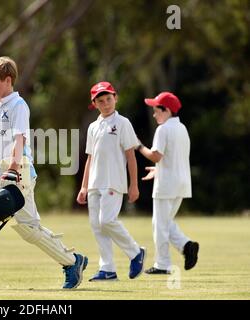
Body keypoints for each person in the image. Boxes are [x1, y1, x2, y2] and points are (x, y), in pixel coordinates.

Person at [0, 56, 88, 290]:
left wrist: (12, 169)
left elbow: (19, 139)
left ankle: (72, 262)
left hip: (18, 171)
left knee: (28, 228)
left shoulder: (18, 105)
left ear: (7, 80)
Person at [76, 81, 146, 281]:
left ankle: (135, 252)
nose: (106, 103)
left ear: (115, 98)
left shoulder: (123, 123)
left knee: (106, 221)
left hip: (114, 181)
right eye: (101, 100)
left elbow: (131, 156)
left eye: (109, 99)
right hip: (94, 184)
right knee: (97, 226)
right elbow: (90, 158)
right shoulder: (93, 127)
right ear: (94, 104)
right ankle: (107, 269)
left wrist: (134, 185)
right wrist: (83, 186)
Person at [136, 92, 199, 274]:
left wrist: (138, 146)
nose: (155, 115)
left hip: (166, 185)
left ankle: (162, 264)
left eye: (157, 110)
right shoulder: (182, 128)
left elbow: (156, 155)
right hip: (181, 183)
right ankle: (187, 246)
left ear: (167, 110)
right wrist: (158, 170)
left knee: (160, 225)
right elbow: (174, 158)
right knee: (165, 222)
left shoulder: (163, 129)